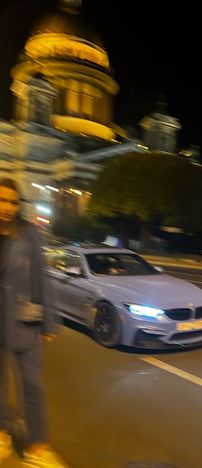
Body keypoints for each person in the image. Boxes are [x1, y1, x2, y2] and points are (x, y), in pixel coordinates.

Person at [0, 178, 69, 467]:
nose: (7, 207)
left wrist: (49, 323)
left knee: (32, 384)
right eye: (2, 200)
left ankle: (37, 444)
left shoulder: (29, 235)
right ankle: (3, 431)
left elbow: (42, 279)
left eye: (12, 201)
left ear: (19, 205)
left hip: (24, 319)